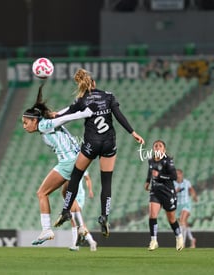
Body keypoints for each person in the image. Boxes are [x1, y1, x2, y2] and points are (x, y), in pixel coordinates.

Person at [53, 68, 145, 238]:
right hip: (109, 142)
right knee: (106, 181)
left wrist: (54, 115)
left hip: (91, 142)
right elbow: (119, 115)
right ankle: (104, 216)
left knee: (76, 176)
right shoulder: (108, 96)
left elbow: (66, 113)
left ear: (82, 84)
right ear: (94, 83)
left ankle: (66, 211)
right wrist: (133, 133)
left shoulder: (82, 99)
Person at [22, 83, 95, 246]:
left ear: (34, 120)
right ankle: (82, 227)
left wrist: (85, 113)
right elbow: (61, 115)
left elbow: (65, 118)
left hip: (68, 161)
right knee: (66, 193)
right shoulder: (46, 123)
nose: (24, 126)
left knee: (42, 193)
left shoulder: (43, 125)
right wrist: (65, 112)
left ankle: (47, 229)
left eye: (26, 122)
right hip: (78, 158)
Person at [144, 140, 184, 251]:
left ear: (164, 150)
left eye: (160, 146)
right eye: (155, 146)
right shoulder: (151, 160)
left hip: (167, 192)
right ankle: (153, 240)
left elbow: (174, 176)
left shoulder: (168, 161)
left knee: (171, 219)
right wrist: (148, 181)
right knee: (152, 214)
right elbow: (150, 171)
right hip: (155, 191)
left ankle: (179, 237)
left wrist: (160, 175)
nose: (157, 147)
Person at [64, 171, 97, 251]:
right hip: (71, 194)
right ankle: (91, 241)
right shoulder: (69, 167)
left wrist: (90, 190)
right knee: (79, 223)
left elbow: (87, 179)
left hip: (77, 196)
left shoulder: (80, 166)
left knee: (74, 220)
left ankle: (75, 245)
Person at [174, 169, 198, 248]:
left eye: (179, 174)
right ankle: (192, 239)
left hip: (186, 204)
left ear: (182, 174)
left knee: (182, 221)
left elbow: (191, 190)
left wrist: (194, 196)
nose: (177, 175)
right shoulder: (173, 183)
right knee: (184, 224)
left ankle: (182, 243)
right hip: (177, 206)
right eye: (176, 174)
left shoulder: (186, 182)